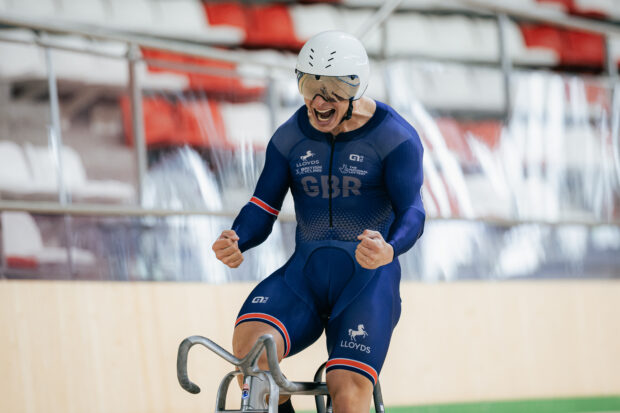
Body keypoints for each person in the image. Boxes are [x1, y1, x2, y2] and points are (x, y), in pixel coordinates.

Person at [212, 30, 425, 413]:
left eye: (331, 91)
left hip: (366, 281)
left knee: (346, 389)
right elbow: (263, 205)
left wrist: (389, 248)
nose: (318, 102)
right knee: (251, 351)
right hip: (304, 278)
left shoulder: (395, 138)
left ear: (356, 87)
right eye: (309, 86)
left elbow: (413, 211)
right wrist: (237, 237)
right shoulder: (290, 137)